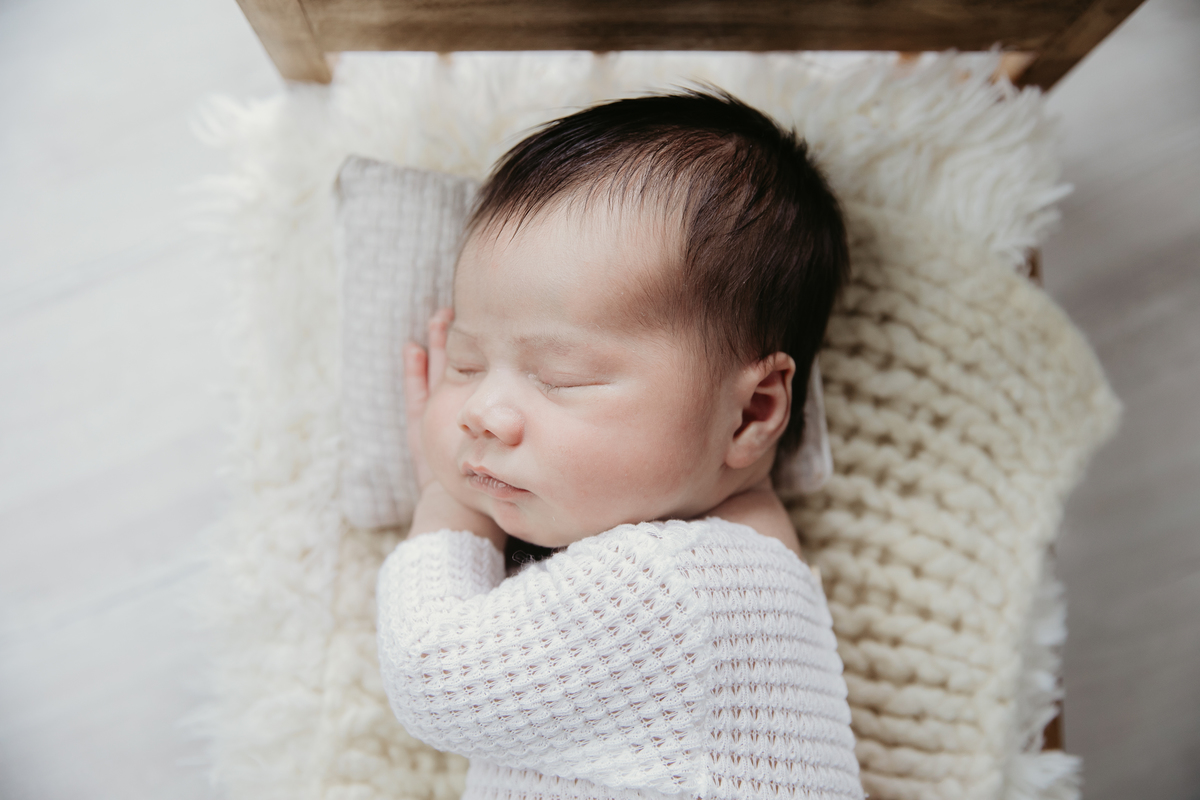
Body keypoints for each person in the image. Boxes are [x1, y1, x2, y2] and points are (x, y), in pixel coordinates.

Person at [376, 90, 865, 799]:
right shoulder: (741, 570)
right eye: (466, 363)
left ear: (751, 413)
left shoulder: (675, 589)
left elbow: (435, 675)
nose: (481, 411)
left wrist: (446, 505)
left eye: (560, 377)